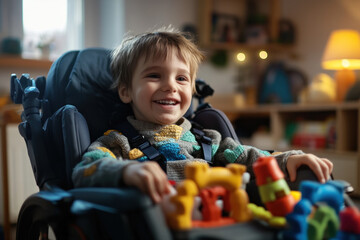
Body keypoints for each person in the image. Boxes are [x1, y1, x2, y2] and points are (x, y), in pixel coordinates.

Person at [72, 27, 333, 204]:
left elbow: (251, 157)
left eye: (181, 78)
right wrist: (125, 173)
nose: (171, 86)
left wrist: (290, 158)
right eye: (154, 75)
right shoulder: (118, 141)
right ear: (126, 91)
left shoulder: (207, 139)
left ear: (192, 89)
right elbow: (86, 169)